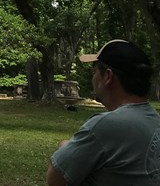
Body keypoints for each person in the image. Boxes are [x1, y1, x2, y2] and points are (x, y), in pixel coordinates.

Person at [47, 39, 160, 185]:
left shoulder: (104, 126)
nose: (93, 78)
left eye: (94, 72)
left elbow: (55, 179)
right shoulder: (155, 120)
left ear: (108, 76)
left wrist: (65, 147)